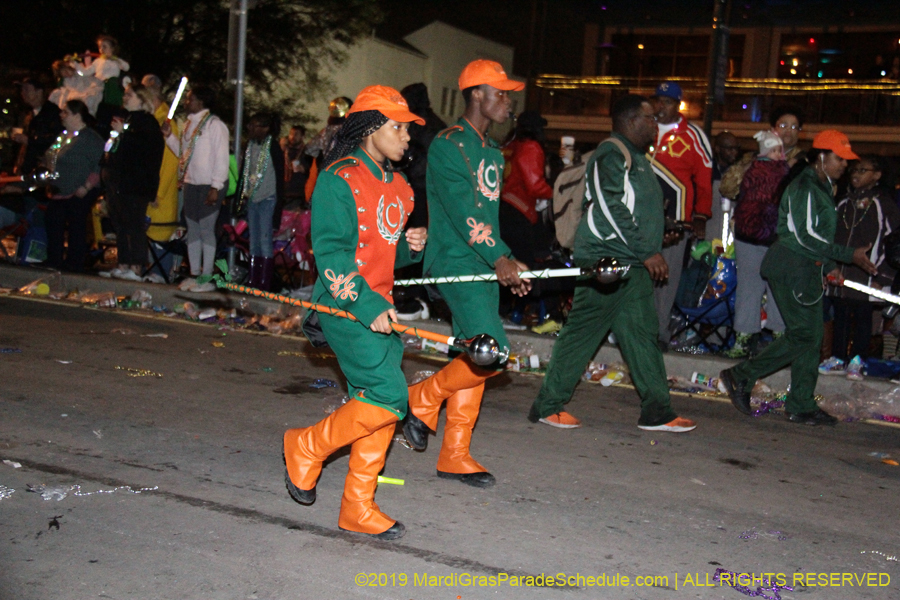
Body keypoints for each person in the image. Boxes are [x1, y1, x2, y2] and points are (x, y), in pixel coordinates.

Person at [282, 85, 427, 540]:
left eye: (407, 129)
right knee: (390, 395)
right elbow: (333, 255)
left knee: (377, 401)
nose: (406, 137)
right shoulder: (337, 180)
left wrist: (410, 246)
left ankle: (356, 506)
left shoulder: (400, 187)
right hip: (344, 305)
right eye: (397, 127)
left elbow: (382, 251)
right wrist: (366, 305)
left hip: (380, 307)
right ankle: (305, 446)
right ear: (369, 129)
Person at [527, 94, 697, 433]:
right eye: (649, 118)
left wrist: (657, 236)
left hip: (628, 262)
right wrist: (647, 251)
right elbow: (608, 206)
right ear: (630, 121)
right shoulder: (611, 152)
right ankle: (548, 406)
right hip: (608, 261)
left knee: (641, 336)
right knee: (582, 333)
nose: (655, 125)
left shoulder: (637, 157)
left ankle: (657, 411)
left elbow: (631, 210)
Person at [401, 59, 531, 488]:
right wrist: (499, 259)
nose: (508, 101)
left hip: (481, 262)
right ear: (477, 94)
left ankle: (455, 454)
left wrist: (507, 258)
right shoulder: (448, 145)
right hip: (456, 261)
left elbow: (488, 220)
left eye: (509, 94)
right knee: (494, 351)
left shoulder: (490, 151)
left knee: (475, 353)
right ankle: (422, 398)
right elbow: (462, 212)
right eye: (500, 93)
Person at [720, 130, 878, 426]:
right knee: (804, 335)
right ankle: (742, 376)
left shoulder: (822, 185)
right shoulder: (805, 186)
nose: (845, 165)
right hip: (791, 266)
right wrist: (847, 255)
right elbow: (803, 236)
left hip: (805, 268)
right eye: (840, 158)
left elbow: (816, 236)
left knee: (811, 335)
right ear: (822, 157)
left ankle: (801, 403)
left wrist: (829, 263)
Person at [821, 155, 900, 377]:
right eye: (854, 170)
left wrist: (883, 276)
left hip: (869, 274)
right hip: (842, 273)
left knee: (864, 317)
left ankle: (858, 359)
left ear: (877, 175)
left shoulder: (883, 204)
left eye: (863, 170)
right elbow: (831, 238)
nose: (855, 174)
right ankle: (837, 357)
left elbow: (894, 244)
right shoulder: (843, 203)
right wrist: (830, 267)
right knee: (842, 315)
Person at [648, 81, 713, 349]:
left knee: (666, 277)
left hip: (677, 220)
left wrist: (701, 215)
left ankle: (659, 333)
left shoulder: (693, 136)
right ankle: (634, 330)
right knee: (639, 276)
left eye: (667, 101)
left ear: (678, 105)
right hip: (641, 220)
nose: (661, 106)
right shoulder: (643, 129)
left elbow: (705, 178)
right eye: (658, 100)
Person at [726, 130, 790, 358]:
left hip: (756, 236)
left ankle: (752, 337)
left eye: (778, 150)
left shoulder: (752, 170)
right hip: (766, 237)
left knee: (759, 288)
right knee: (763, 288)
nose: (777, 154)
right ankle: (766, 336)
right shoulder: (779, 172)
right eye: (773, 150)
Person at [161, 84, 229, 293]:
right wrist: (168, 136)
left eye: (190, 98)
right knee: (193, 231)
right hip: (191, 183)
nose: (186, 102)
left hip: (210, 185)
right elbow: (183, 155)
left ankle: (207, 277)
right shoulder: (190, 124)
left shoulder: (214, 125)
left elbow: (222, 157)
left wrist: (216, 186)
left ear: (201, 101)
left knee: (207, 230)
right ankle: (195, 275)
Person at [499, 110, 560, 333]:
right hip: (519, 211)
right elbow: (535, 185)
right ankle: (506, 312)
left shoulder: (509, 145)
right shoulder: (530, 147)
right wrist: (556, 193)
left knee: (506, 262)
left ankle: (503, 311)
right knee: (522, 266)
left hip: (503, 208)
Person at [101, 83, 164, 281]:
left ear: (142, 100)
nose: (125, 97)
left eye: (130, 95)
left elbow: (145, 151)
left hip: (136, 184)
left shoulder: (147, 122)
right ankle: (123, 263)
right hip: (118, 183)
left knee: (134, 225)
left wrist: (125, 134)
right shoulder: (127, 119)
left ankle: (136, 266)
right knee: (120, 224)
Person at [44, 100, 104, 272]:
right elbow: (51, 157)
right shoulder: (63, 137)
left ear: (77, 115)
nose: (61, 116)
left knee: (76, 225)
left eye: (66, 113)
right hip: (59, 190)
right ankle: (54, 259)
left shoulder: (89, 138)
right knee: (53, 222)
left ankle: (74, 262)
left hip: (79, 190)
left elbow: (99, 164)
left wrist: (87, 186)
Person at [141, 74, 182, 283]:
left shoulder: (166, 121)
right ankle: (152, 269)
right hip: (151, 188)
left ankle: (160, 272)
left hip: (161, 192)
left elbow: (170, 162)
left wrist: (157, 191)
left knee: (160, 234)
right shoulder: (154, 119)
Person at [238, 112, 285, 291]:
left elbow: (279, 178)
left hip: (268, 199)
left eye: (254, 125)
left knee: (265, 241)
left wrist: (278, 208)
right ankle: (254, 279)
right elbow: (245, 173)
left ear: (265, 128)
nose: (250, 128)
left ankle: (264, 282)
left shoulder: (272, 147)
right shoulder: (249, 146)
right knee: (253, 241)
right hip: (253, 198)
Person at [12, 77, 63, 177]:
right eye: (22, 90)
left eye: (27, 89)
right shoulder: (29, 115)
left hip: (42, 172)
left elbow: (56, 140)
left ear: (39, 92)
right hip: (29, 171)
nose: (23, 93)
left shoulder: (52, 113)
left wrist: (30, 141)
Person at [76, 35, 129, 107]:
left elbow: (126, 67)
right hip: (99, 87)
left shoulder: (116, 61)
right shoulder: (98, 61)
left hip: (111, 87)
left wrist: (116, 59)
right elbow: (86, 72)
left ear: (112, 48)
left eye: (104, 46)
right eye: (100, 47)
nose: (101, 49)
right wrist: (75, 65)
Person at [709, 131, 740, 244]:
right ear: (717, 149)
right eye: (729, 149)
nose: (734, 152)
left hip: (729, 237)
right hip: (708, 233)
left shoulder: (738, 173)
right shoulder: (707, 170)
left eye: (736, 148)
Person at [281, 125, 308, 207]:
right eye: (291, 134)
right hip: (283, 193)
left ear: (302, 137)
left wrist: (304, 169)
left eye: (296, 134)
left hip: (299, 194)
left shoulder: (307, 152)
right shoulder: (285, 151)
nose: (293, 137)